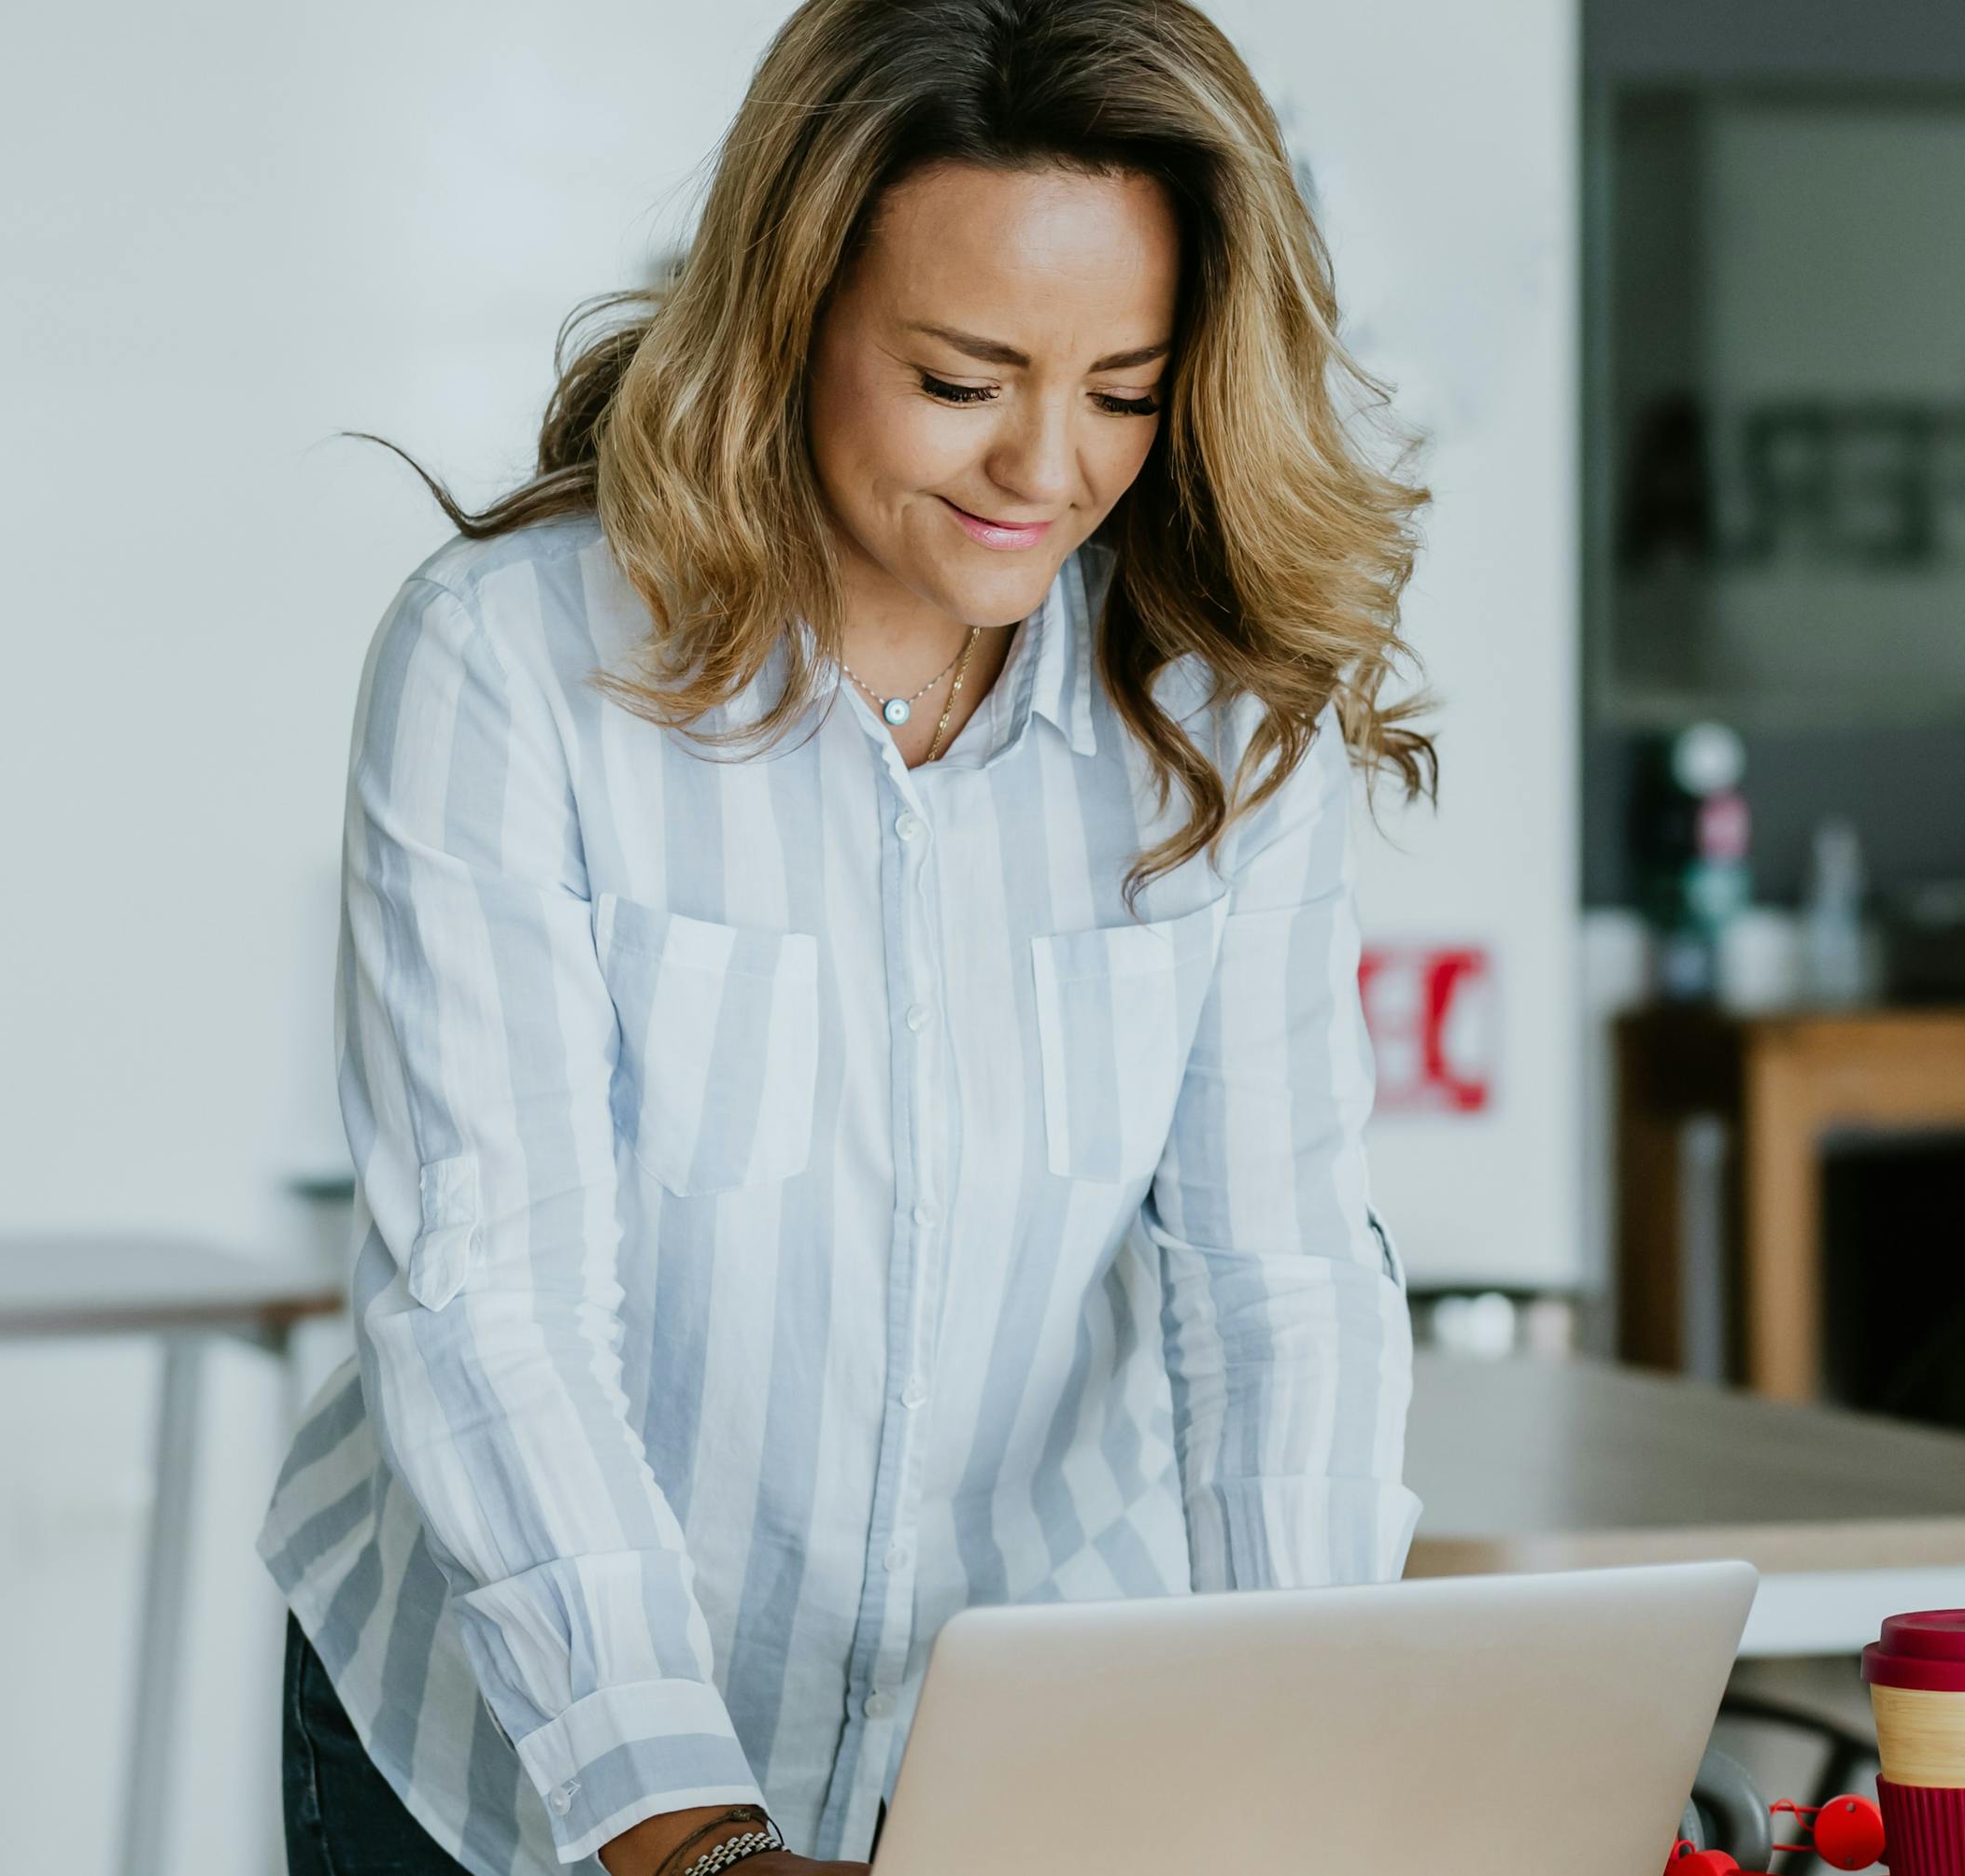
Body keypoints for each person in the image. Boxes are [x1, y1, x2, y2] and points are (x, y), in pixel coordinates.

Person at [257, 3, 1432, 1870]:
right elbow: (495, 1300)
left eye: (1124, 388)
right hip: (523, 1752)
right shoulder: (511, 668)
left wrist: (1302, 1749)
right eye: (966, 378)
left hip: (1012, 1752)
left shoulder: (1214, 717)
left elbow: (1275, 1275)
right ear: (792, 312)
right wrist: (687, 1831)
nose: (1047, 467)